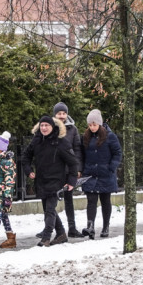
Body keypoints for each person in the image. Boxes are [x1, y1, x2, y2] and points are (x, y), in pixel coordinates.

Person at [23, 114, 79, 246]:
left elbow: (73, 163)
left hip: (57, 181)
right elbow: (26, 156)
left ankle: (46, 238)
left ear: (52, 127)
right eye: (41, 125)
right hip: (41, 180)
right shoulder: (36, 141)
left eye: (46, 125)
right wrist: (28, 170)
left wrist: (71, 181)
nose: (44, 128)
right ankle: (61, 234)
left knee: (49, 210)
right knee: (49, 210)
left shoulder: (61, 142)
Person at [80, 109, 122, 239]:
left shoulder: (110, 136)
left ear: (99, 123)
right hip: (90, 174)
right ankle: (90, 226)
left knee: (105, 201)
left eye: (94, 124)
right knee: (91, 201)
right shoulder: (86, 137)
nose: (92, 127)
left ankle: (105, 226)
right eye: (90, 125)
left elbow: (117, 152)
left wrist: (111, 167)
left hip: (105, 174)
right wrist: (82, 169)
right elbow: (82, 154)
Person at [52, 102, 84, 239]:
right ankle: (50, 226)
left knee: (69, 199)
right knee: (50, 200)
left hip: (68, 169)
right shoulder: (50, 127)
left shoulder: (73, 129)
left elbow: (77, 149)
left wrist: (77, 168)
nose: (62, 116)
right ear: (55, 114)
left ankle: (72, 227)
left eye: (64, 113)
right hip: (53, 169)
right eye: (59, 113)